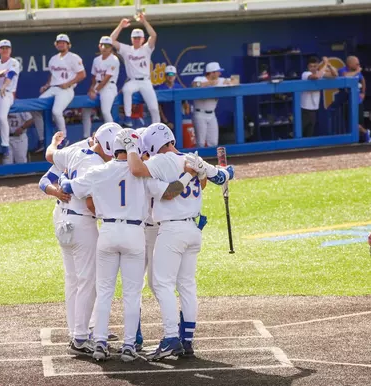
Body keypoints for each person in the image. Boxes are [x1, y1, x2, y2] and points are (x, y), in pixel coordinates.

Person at [58, 129, 199, 362]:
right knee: (132, 294)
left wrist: (63, 177)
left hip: (108, 231)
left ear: (114, 148)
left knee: (104, 291)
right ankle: (129, 345)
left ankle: (100, 343)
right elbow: (170, 193)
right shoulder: (143, 173)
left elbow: (69, 188)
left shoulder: (100, 170)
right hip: (135, 233)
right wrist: (188, 175)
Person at [121, 123, 234, 361]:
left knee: (161, 284)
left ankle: (171, 338)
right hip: (193, 229)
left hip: (172, 229)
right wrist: (225, 171)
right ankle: (187, 340)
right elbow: (220, 177)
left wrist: (131, 147)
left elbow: (137, 169)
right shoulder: (192, 158)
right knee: (186, 285)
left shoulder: (162, 160)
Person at [45, 123, 122, 356]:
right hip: (81, 223)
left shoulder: (75, 151)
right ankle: (80, 336)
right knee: (89, 281)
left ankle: (80, 330)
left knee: (74, 280)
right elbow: (90, 203)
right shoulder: (97, 166)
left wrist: (54, 143)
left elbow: (49, 156)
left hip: (61, 219)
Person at [32, 34, 86, 152]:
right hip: (54, 88)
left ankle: (63, 138)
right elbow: (53, 76)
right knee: (35, 108)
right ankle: (42, 139)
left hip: (66, 89)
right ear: (56, 45)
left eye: (63, 42)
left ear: (68, 44)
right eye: (59, 42)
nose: (61, 44)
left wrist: (68, 83)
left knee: (56, 111)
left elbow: (82, 74)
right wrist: (46, 85)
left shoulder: (74, 57)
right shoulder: (53, 59)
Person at [110, 14, 160, 127]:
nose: (137, 40)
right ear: (131, 39)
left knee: (154, 108)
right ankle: (128, 118)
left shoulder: (146, 48)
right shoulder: (127, 49)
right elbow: (111, 40)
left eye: (139, 38)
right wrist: (120, 26)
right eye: (135, 38)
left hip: (145, 81)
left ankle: (157, 127)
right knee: (126, 89)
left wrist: (144, 21)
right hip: (133, 80)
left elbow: (153, 35)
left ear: (142, 39)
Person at [82, 36, 120, 139]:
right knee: (86, 109)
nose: (105, 48)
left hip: (109, 87)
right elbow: (94, 77)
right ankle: (86, 136)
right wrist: (91, 88)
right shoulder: (96, 60)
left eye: (107, 46)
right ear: (99, 46)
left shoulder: (114, 59)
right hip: (97, 86)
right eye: (103, 45)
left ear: (111, 47)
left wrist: (95, 90)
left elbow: (107, 78)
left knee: (105, 111)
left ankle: (114, 135)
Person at [192, 62, 233, 148]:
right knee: (200, 142)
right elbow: (194, 85)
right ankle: (199, 161)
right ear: (212, 72)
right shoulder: (200, 79)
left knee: (214, 142)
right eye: (218, 71)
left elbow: (235, 81)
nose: (220, 73)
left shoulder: (220, 80)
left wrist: (228, 82)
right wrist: (209, 83)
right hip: (199, 114)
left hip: (212, 114)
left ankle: (212, 161)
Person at [301, 56, 337, 137]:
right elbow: (316, 77)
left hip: (313, 109)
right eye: (311, 66)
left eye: (315, 66)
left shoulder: (320, 72)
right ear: (308, 67)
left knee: (309, 132)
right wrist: (325, 64)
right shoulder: (305, 74)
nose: (313, 68)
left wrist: (329, 65)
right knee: (300, 131)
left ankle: (307, 148)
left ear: (317, 66)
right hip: (304, 109)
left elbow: (335, 75)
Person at [156, 65, 190, 131]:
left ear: (175, 75)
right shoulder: (160, 88)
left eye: (173, 74)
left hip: (178, 118)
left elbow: (184, 102)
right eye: (168, 74)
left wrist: (186, 108)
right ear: (165, 76)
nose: (171, 76)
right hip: (165, 119)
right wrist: (166, 121)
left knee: (178, 139)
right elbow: (159, 107)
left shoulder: (179, 87)